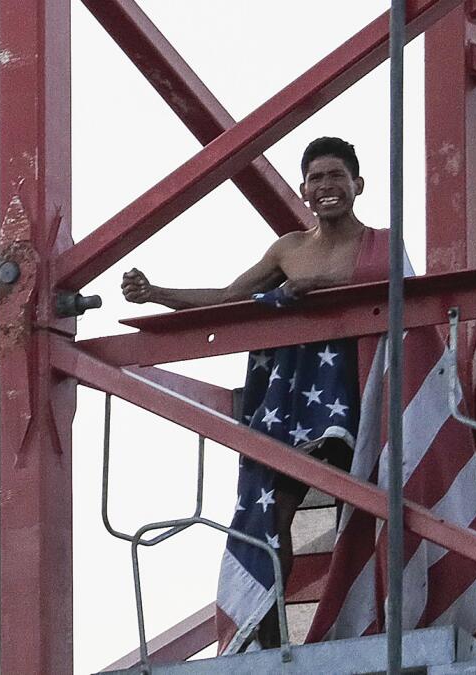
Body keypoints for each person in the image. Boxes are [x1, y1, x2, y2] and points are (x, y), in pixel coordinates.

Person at [123, 137, 376, 650]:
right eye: (316, 178)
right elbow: (226, 300)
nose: (327, 187)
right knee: (273, 516)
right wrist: (155, 293)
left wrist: (318, 286)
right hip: (294, 404)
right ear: (304, 190)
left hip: (360, 397)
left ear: (358, 185)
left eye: (336, 176)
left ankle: (388, 614)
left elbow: (396, 292)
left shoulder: (381, 244)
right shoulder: (289, 249)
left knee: (376, 507)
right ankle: (270, 636)